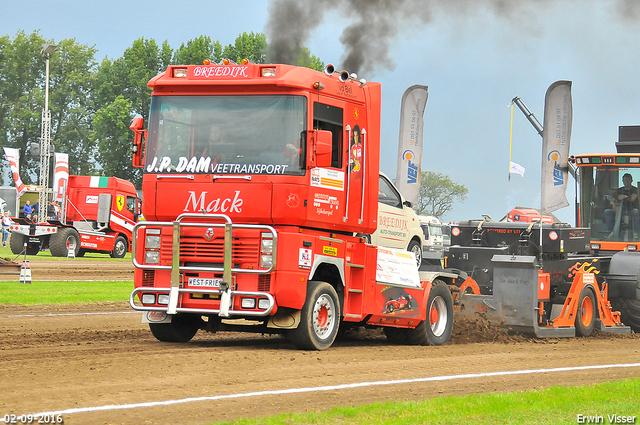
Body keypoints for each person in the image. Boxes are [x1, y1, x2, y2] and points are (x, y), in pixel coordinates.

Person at [604, 173, 640, 238]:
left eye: (628, 180)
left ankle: (635, 233)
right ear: (622, 181)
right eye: (625, 180)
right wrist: (614, 205)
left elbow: (633, 198)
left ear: (631, 181)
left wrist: (624, 196)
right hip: (619, 210)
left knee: (636, 211)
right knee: (607, 212)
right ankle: (612, 232)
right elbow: (612, 201)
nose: (626, 182)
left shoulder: (635, 190)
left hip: (630, 210)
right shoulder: (619, 190)